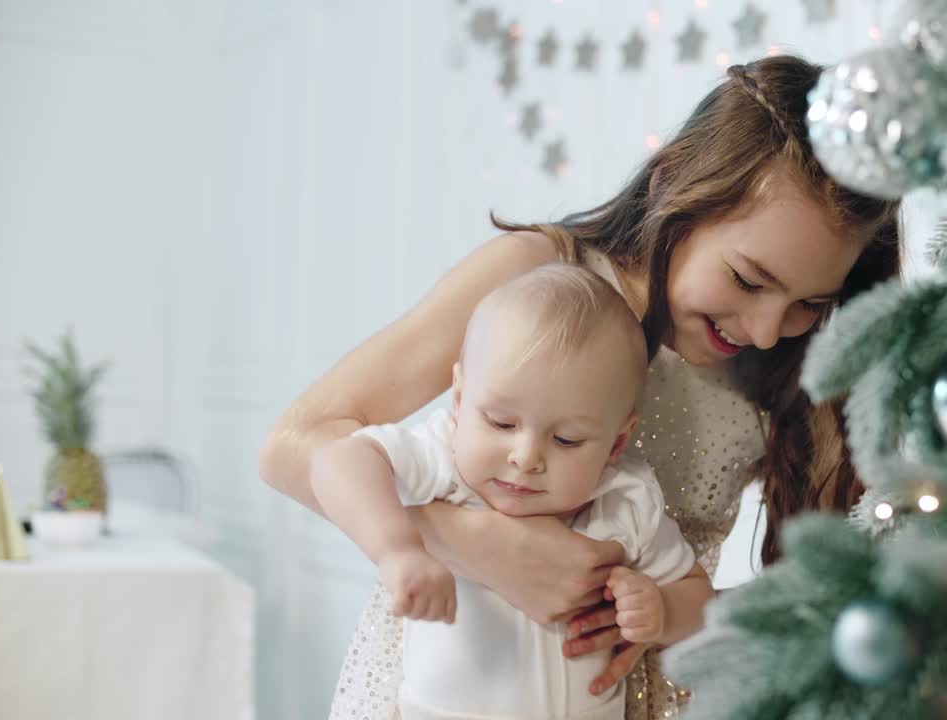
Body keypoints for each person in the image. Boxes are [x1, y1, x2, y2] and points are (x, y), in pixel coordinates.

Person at [260, 54, 901, 720]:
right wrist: (478, 544)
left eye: (809, 302)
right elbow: (292, 446)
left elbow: (835, 591)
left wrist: (671, 611)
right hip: (453, 685)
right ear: (672, 185)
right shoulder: (539, 280)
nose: (769, 329)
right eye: (747, 279)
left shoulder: (797, 363)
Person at [311, 264, 710, 720]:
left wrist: (661, 609)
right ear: (460, 400)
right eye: (501, 423)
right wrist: (397, 549)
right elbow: (337, 461)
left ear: (617, 442)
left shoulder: (624, 496)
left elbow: (699, 598)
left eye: (567, 440)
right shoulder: (445, 458)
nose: (525, 456)